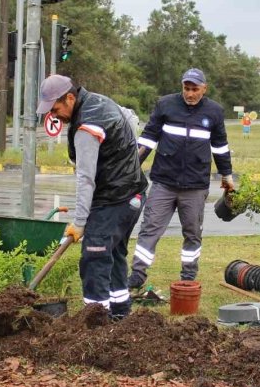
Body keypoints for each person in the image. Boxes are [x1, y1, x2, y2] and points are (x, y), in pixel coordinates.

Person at [36, 75, 148, 320]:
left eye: (56, 109)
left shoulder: (87, 126)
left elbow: (85, 178)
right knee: (114, 252)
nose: (54, 116)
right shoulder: (100, 101)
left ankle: (96, 322)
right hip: (133, 194)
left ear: (70, 98)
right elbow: (131, 120)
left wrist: (79, 221)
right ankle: (120, 313)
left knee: (95, 256)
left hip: (114, 198)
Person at [129, 68, 233, 289]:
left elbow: (220, 147)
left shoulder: (214, 112)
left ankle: (188, 276)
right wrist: (132, 166)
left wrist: (227, 175)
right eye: (187, 88)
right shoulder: (166, 105)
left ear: (204, 89)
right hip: (163, 182)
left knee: (193, 233)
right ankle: (137, 274)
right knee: (150, 229)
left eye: (195, 89)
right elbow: (148, 139)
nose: (190, 93)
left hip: (195, 186)